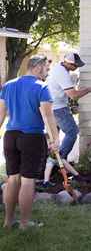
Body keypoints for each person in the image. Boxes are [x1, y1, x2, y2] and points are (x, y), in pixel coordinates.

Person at [0, 56, 60, 229]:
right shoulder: (41, 87)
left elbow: (1, 114)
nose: (47, 73)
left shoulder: (9, 85)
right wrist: (55, 139)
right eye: (46, 69)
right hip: (31, 138)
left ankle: (8, 222)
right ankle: (25, 224)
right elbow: (48, 116)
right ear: (38, 67)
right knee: (27, 181)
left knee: (12, 179)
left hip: (10, 136)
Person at [46, 52, 91, 161]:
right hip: (58, 108)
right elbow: (73, 95)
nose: (77, 67)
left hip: (51, 107)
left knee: (54, 138)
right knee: (72, 132)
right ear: (68, 63)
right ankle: (60, 160)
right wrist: (89, 90)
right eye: (75, 65)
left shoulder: (58, 69)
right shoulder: (62, 74)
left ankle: (48, 165)